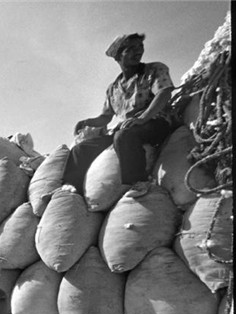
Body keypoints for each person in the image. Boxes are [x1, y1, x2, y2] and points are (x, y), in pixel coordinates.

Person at [62, 33, 174, 196]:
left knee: (123, 136)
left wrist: (143, 118)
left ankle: (137, 182)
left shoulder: (154, 69)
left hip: (156, 123)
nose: (138, 52)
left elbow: (164, 93)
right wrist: (87, 122)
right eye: (131, 49)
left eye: (140, 47)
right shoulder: (113, 88)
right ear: (117, 56)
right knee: (81, 149)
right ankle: (72, 186)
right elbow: (106, 117)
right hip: (129, 128)